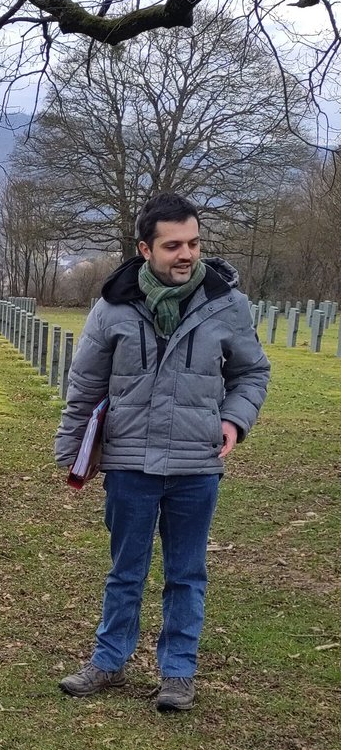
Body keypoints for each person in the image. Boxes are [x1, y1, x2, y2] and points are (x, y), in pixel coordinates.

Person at [54, 193, 270, 712]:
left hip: (197, 463)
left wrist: (234, 419)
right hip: (130, 462)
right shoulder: (113, 307)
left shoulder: (226, 304)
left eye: (193, 243)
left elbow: (252, 373)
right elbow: (85, 384)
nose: (186, 254)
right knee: (125, 570)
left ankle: (177, 672)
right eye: (173, 245)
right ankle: (109, 661)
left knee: (186, 574)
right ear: (145, 249)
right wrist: (72, 451)